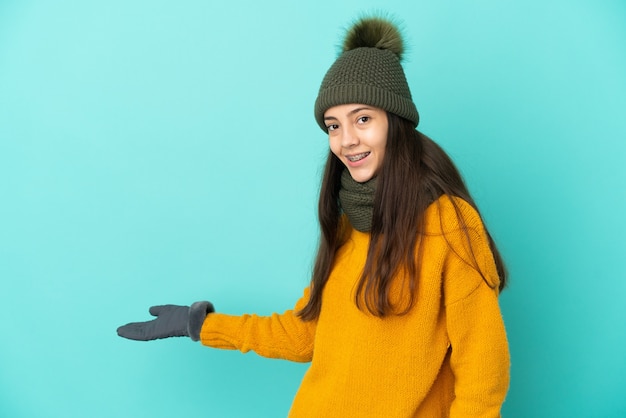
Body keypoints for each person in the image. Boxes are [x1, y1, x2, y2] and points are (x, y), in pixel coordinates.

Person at [118, 15, 510, 417]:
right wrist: (201, 325)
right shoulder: (346, 226)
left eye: (363, 119)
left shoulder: (449, 224)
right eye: (333, 125)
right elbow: (306, 334)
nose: (347, 140)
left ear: (396, 121)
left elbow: (483, 373)